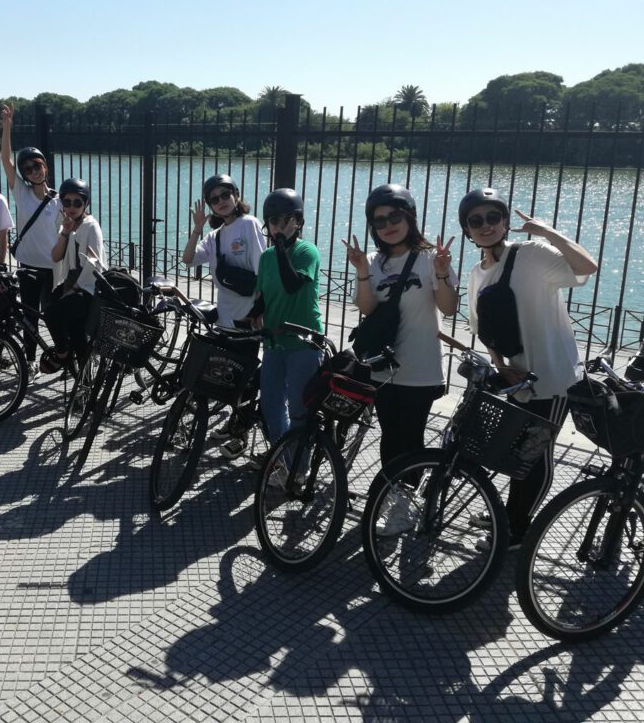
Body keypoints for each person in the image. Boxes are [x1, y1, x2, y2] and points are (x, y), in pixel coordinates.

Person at [460, 187, 598, 550]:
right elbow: (481, 328)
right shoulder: (477, 273)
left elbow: (587, 267)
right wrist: (500, 366)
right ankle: (508, 515)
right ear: (467, 230)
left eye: (493, 217)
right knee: (512, 451)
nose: (486, 225)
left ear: (505, 222)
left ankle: (517, 531)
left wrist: (549, 232)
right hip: (515, 380)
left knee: (535, 456)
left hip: (551, 376)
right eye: (476, 221)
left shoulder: (533, 254)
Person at [342, 184, 458, 470]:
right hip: (382, 368)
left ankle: (405, 499)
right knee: (389, 437)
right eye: (379, 221)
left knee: (411, 441)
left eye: (395, 217)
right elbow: (367, 308)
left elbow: (449, 308)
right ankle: (388, 493)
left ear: (410, 217)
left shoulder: (431, 258)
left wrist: (442, 275)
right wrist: (362, 272)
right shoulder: (372, 261)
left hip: (420, 369)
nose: (388, 226)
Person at [247, 188, 323, 448]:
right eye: (273, 221)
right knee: (271, 404)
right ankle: (281, 458)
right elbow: (265, 294)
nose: (279, 226)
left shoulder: (307, 252)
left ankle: (298, 469)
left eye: (286, 220)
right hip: (274, 341)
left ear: (298, 221)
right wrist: (255, 313)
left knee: (300, 410)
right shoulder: (267, 257)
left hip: (303, 342)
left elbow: (292, 284)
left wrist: (280, 245)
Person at [0, 103, 61, 363]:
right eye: (28, 170)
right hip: (27, 265)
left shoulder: (60, 200)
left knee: (53, 313)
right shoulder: (21, 193)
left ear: (45, 167)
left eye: (37, 166)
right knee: (29, 316)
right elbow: (5, 160)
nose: (34, 172)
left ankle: (62, 353)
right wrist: (7, 128)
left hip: (51, 268)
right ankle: (29, 359)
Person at [39, 179, 106, 375]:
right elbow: (56, 256)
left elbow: (94, 264)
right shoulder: (65, 223)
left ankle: (62, 355)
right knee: (75, 333)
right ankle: (84, 381)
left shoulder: (91, 226)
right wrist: (65, 233)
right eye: (66, 202)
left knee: (52, 314)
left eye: (77, 202)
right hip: (70, 282)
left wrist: (75, 289)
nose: (71, 207)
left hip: (88, 288)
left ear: (85, 203)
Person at [181, 174, 265, 328]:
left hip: (247, 315)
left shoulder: (249, 224)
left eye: (225, 195)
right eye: (214, 199)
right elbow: (187, 259)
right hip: (224, 316)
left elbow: (262, 271)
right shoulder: (215, 236)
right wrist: (197, 230)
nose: (220, 201)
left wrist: (259, 311)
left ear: (236, 195)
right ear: (211, 206)